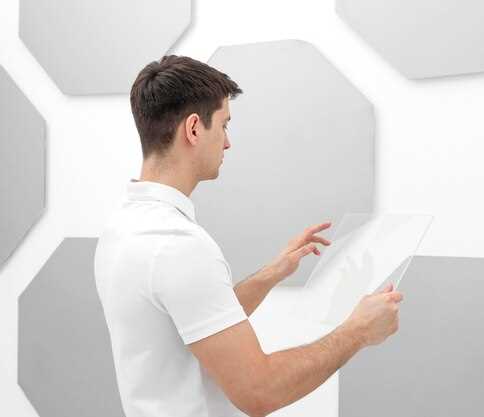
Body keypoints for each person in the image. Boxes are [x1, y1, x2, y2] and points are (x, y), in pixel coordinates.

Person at [94, 55, 403, 417]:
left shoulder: (123, 227)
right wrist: (358, 331)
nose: (227, 142)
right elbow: (260, 390)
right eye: (223, 124)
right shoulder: (178, 245)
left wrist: (272, 273)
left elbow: (192, 321)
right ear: (193, 129)